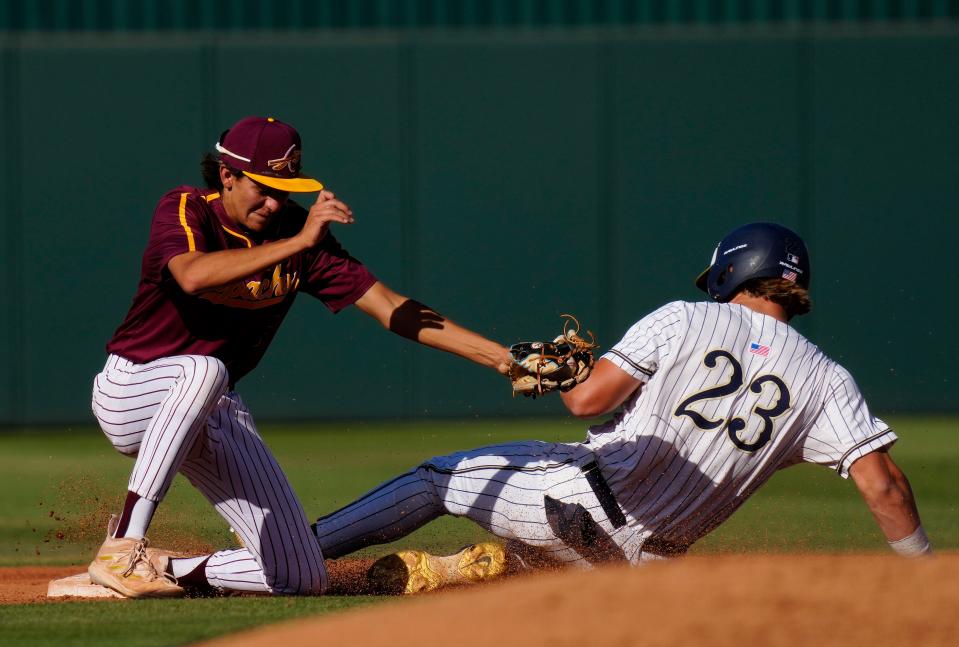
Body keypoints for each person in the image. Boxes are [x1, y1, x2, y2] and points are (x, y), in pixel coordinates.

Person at [312, 222, 932, 594]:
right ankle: (463, 571)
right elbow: (885, 487)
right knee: (539, 567)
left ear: (733, 271)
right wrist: (922, 574)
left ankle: (297, 550)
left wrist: (560, 374)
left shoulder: (684, 317)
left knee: (435, 479)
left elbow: (587, 400)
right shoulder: (829, 380)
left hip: (579, 507)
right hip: (647, 568)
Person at [88, 115, 512, 598]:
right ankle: (124, 546)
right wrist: (298, 242)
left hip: (212, 407)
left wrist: (502, 358)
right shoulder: (188, 207)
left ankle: (166, 570)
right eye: (263, 187)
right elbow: (192, 275)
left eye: (285, 188)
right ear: (227, 175)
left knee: (300, 575)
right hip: (133, 390)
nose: (274, 202)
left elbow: (391, 308)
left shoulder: (298, 233)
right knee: (203, 368)